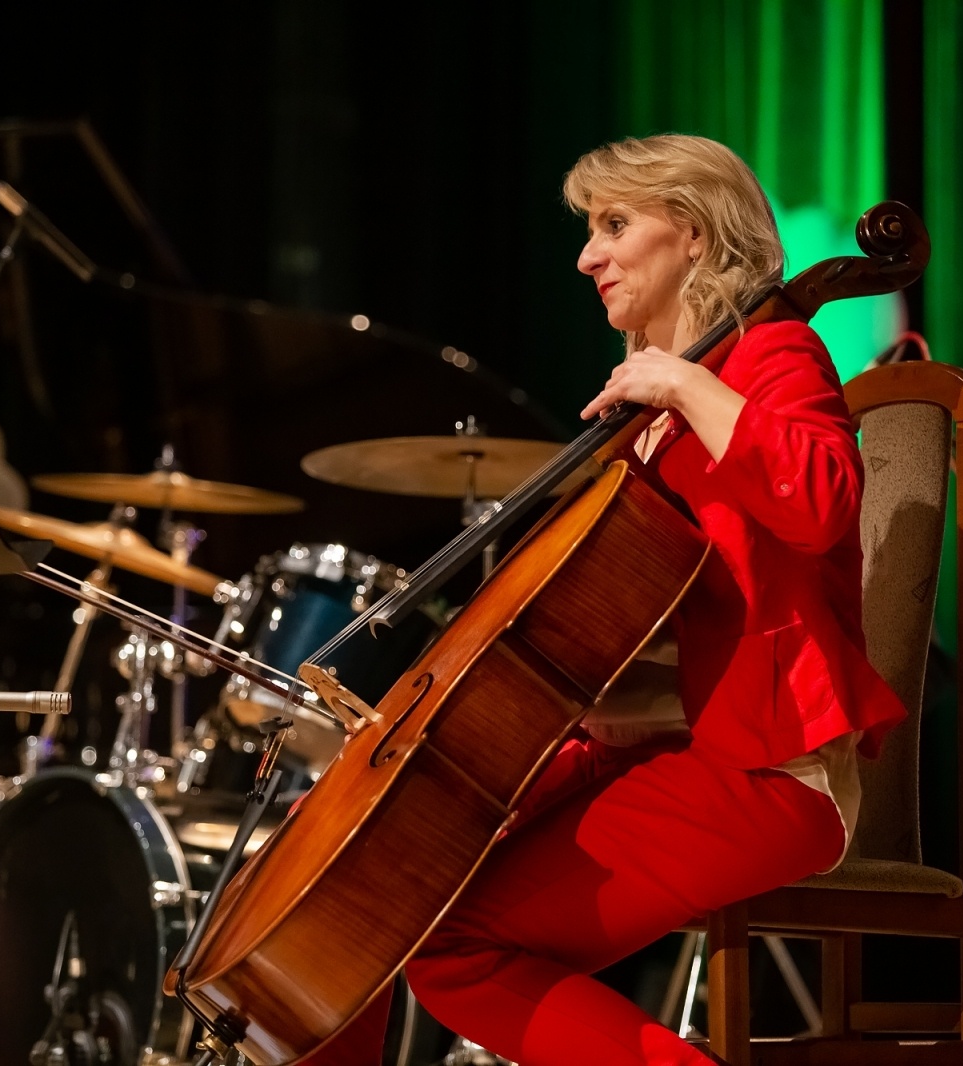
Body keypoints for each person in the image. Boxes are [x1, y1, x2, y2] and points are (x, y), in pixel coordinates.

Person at [305, 134, 908, 1066]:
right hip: (642, 743)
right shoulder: (655, 422)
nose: (588, 256)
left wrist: (687, 382)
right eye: (590, 231)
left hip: (763, 769)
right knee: (380, 891)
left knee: (455, 952)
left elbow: (823, 502)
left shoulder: (774, 354)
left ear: (697, 237)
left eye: (615, 226)